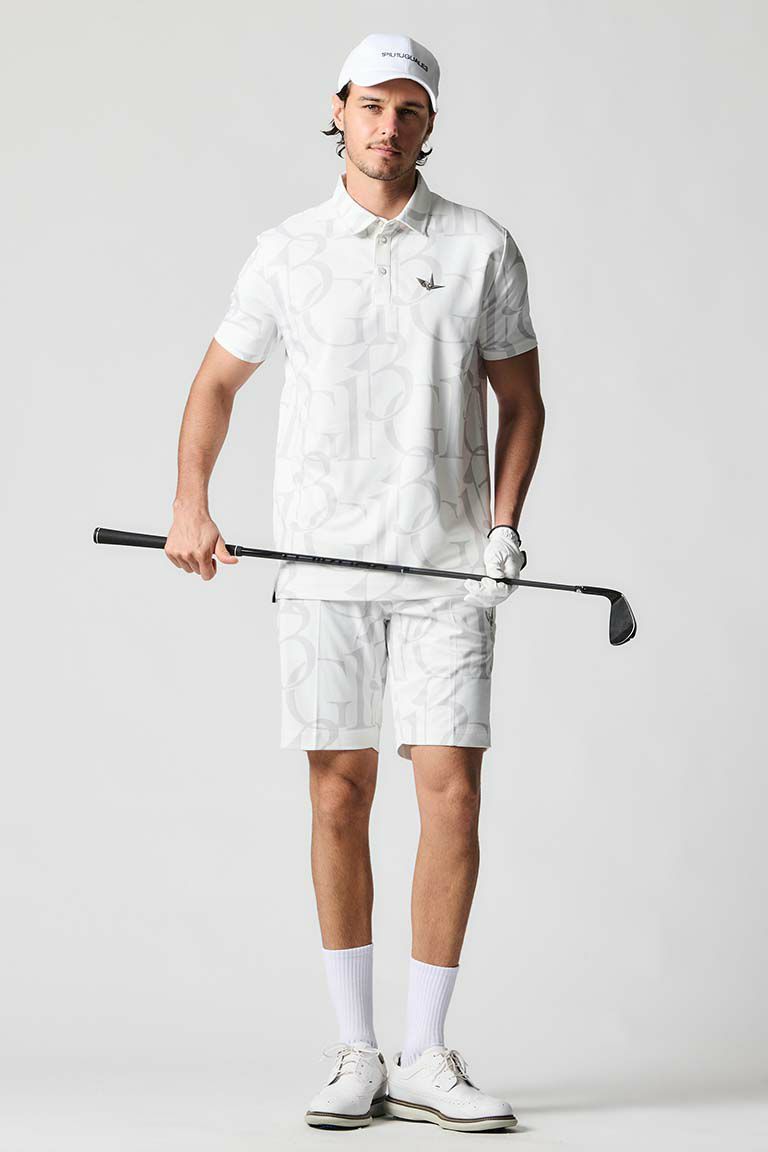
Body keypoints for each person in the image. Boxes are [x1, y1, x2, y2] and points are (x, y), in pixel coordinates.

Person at [164, 30, 544, 1134]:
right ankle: (357, 1050)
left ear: (430, 124)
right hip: (322, 564)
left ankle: (426, 1054)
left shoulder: (480, 246)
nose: (388, 126)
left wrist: (505, 526)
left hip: (448, 568)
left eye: (408, 109)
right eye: (371, 105)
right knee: (338, 793)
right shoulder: (286, 250)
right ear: (338, 110)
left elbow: (521, 402)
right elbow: (216, 384)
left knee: (452, 795)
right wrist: (191, 503)